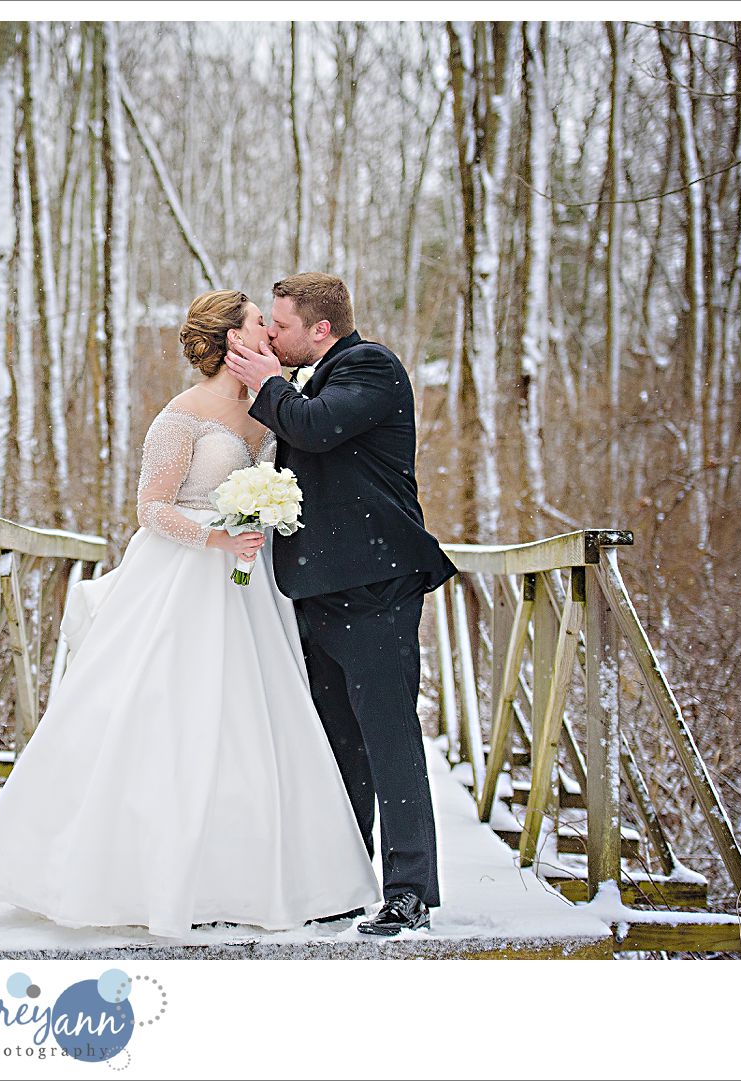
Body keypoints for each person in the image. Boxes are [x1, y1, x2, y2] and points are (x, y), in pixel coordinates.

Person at [0, 290, 383, 940]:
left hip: (252, 587)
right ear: (233, 340)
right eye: (258, 323)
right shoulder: (181, 415)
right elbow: (150, 507)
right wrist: (214, 538)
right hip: (183, 579)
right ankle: (137, 874)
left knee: (252, 722)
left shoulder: (271, 408)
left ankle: (253, 878)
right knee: (173, 718)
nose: (268, 331)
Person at [223, 272, 459, 936]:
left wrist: (268, 382)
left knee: (389, 740)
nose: (272, 335)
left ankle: (409, 891)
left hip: (375, 589)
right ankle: (345, 883)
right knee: (338, 747)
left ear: (320, 329)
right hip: (315, 593)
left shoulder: (369, 367)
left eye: (281, 325)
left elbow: (317, 429)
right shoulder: (312, 380)